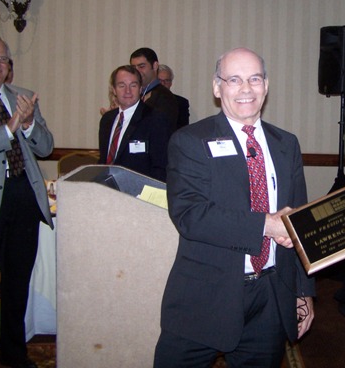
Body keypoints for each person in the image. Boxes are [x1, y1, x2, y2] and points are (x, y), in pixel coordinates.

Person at [154, 47, 315, 368]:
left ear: (266, 86)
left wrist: (304, 290)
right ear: (217, 87)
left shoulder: (287, 144)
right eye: (234, 79)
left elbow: (299, 222)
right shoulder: (190, 141)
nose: (246, 89)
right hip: (204, 295)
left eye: (255, 79)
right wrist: (266, 225)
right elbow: (190, 215)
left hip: (270, 296)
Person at [0, 35, 54, 368]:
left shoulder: (23, 97)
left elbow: (45, 146)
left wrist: (27, 123)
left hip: (24, 201)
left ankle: (13, 354)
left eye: (2, 60)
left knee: (17, 284)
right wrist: (12, 124)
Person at [98, 65, 172, 182]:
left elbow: (161, 167)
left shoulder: (155, 119)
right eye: (122, 85)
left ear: (141, 88)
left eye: (133, 85)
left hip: (138, 194)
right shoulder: (107, 119)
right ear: (114, 89)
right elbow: (103, 161)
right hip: (107, 192)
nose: (128, 91)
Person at [129, 47, 178, 131]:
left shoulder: (164, 96)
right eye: (134, 68)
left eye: (141, 66)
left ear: (155, 66)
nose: (137, 71)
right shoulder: (133, 94)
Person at [157, 63, 190, 129]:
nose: (163, 84)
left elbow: (182, 128)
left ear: (171, 83)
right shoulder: (145, 99)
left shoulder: (181, 103)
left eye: (166, 80)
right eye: (159, 80)